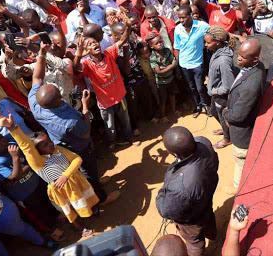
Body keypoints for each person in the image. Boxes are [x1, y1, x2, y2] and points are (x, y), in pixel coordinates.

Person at [28, 43, 119, 206]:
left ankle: (95, 183)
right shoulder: (68, 122)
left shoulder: (35, 103)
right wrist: (84, 106)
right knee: (88, 171)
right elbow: (85, 133)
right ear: (58, 100)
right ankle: (101, 198)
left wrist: (41, 55)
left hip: (61, 146)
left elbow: (37, 78)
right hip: (79, 147)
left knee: (85, 172)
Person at [0, 113, 98, 237]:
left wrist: (65, 176)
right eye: (44, 144)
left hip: (76, 181)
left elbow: (77, 159)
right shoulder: (38, 162)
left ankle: (90, 210)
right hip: (61, 191)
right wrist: (12, 128)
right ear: (37, 151)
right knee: (69, 211)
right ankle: (79, 228)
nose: (50, 144)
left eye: (49, 141)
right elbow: (26, 147)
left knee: (85, 198)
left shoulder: (58, 149)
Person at [156, 126, 219, 256]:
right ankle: (214, 236)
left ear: (175, 154)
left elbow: (166, 210)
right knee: (208, 218)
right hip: (206, 198)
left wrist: (161, 194)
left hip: (191, 219)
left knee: (194, 242)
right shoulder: (204, 143)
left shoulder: (180, 187)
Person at [74, 21, 134, 149]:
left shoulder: (109, 53)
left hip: (119, 96)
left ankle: (129, 136)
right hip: (105, 102)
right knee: (109, 125)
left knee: (126, 120)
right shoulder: (87, 65)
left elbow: (123, 40)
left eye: (95, 42)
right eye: (89, 44)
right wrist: (78, 56)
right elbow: (75, 69)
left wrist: (128, 26)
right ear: (86, 50)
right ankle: (112, 142)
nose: (94, 44)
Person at [222, 39, 264, 195]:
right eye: (238, 54)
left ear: (255, 59)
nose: (238, 58)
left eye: (243, 56)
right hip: (241, 125)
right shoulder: (254, 66)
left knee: (241, 162)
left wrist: (226, 112)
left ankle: (238, 189)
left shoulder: (251, 84)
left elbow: (238, 116)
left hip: (242, 135)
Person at [174, 5, 210, 118]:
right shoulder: (178, 29)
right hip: (184, 64)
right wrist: (177, 65)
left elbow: (214, 33)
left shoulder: (202, 26)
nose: (181, 20)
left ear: (190, 15)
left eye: (183, 17)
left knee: (200, 87)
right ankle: (198, 106)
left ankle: (206, 105)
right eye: (179, 18)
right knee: (191, 87)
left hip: (198, 63)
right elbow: (177, 48)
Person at [204, 26, 237, 150]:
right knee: (214, 112)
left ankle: (228, 139)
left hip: (221, 96)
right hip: (215, 94)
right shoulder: (217, 52)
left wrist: (213, 90)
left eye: (208, 42)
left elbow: (228, 86)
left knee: (223, 117)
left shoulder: (223, 60)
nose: (205, 45)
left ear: (217, 42)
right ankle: (225, 130)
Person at [148, 33, 179, 123]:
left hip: (171, 79)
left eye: (160, 41)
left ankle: (173, 110)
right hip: (161, 83)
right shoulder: (153, 57)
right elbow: (159, 72)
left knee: (172, 96)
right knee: (163, 100)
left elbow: (174, 63)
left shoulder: (167, 51)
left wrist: (169, 67)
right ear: (152, 46)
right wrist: (171, 66)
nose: (160, 44)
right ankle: (163, 115)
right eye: (157, 43)